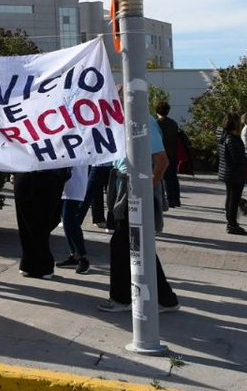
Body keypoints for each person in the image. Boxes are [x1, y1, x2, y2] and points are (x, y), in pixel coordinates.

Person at [98, 114, 180, 313]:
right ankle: (166, 299)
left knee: (122, 244)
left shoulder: (141, 120)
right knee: (137, 246)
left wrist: (143, 190)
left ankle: (122, 298)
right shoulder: (120, 122)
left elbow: (162, 161)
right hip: (125, 189)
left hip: (135, 191)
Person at [13, 167, 69, 279]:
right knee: (39, 222)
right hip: (46, 175)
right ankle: (38, 265)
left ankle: (30, 264)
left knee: (29, 222)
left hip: (29, 173)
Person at [56, 165, 98, 273]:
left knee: (70, 221)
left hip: (75, 186)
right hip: (64, 186)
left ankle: (82, 258)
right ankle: (74, 255)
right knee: (66, 222)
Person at [217, 113, 247, 235]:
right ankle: (232, 223)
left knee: (230, 197)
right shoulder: (231, 138)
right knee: (234, 200)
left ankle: (230, 220)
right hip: (234, 173)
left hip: (228, 172)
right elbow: (237, 159)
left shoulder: (223, 135)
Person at [154, 102, 181, 208]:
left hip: (161, 152)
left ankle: (169, 199)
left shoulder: (156, 123)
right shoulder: (173, 123)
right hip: (173, 153)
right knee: (173, 176)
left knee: (164, 177)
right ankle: (176, 199)